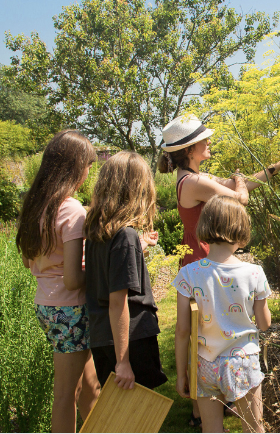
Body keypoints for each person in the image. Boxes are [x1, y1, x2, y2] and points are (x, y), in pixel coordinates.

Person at [16, 130, 100, 433]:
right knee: (67, 394)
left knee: (90, 387)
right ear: (75, 167)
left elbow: (29, 261)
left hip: (47, 305)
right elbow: (74, 278)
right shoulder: (71, 209)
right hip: (71, 310)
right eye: (88, 165)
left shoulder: (36, 205)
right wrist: (104, 270)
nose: (89, 171)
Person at [174, 195, 272, 433]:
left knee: (211, 429)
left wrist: (181, 374)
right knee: (253, 428)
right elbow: (264, 323)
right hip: (243, 361)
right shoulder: (254, 273)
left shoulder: (189, 274)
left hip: (205, 364)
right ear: (240, 229)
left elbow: (182, 330)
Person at [158, 113, 280, 268]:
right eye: (204, 139)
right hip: (201, 257)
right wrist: (238, 178)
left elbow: (243, 184)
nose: (209, 142)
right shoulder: (194, 182)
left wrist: (278, 165)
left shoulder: (193, 177)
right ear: (188, 150)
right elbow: (241, 198)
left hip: (200, 252)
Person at [83, 151, 168, 393]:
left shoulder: (97, 231)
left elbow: (110, 271)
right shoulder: (125, 236)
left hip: (102, 337)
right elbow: (117, 302)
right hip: (129, 342)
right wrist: (123, 362)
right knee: (139, 420)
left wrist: (140, 247)